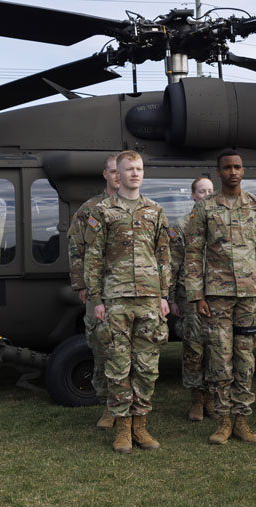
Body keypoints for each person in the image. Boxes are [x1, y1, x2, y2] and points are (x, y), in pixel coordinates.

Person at [184, 149, 256, 445]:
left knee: (245, 357)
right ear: (219, 172)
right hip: (217, 296)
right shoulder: (205, 208)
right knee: (219, 358)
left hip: (249, 296)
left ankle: (242, 420)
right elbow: (193, 253)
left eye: (237, 167)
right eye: (227, 168)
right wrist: (196, 294)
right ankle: (223, 421)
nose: (233, 172)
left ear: (243, 170)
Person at [85, 151, 171, 454]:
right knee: (118, 365)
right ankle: (122, 428)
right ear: (117, 175)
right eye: (128, 169)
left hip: (149, 299)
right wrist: (96, 298)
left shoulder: (155, 210)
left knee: (147, 367)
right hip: (116, 299)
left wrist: (164, 295)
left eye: (139, 168)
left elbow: (164, 256)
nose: (134, 173)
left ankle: (141, 426)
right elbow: (93, 257)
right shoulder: (103, 211)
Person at [66, 154, 119, 430]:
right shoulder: (90, 209)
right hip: (100, 291)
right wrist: (82, 285)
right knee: (101, 348)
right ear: (105, 175)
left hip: (132, 291)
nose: (118, 176)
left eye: (121, 171)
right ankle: (109, 405)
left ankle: (132, 407)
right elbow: (76, 248)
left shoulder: (142, 208)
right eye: (113, 171)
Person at [169, 176, 215, 421]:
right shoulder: (180, 226)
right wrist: (171, 298)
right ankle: (197, 399)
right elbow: (172, 265)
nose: (206, 195)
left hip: (218, 296)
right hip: (189, 297)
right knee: (194, 348)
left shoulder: (221, 224)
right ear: (193, 196)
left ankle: (213, 398)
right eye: (201, 191)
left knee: (217, 348)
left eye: (209, 191)